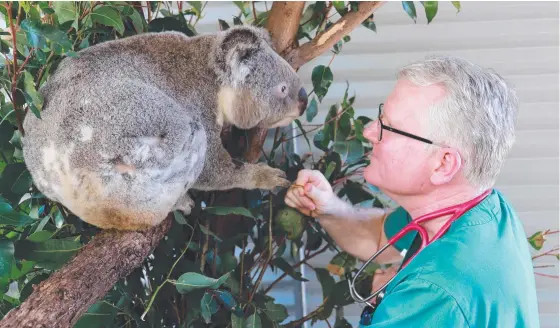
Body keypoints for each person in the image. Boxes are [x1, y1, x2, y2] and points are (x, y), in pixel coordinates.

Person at [284, 55, 540, 327]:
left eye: (389, 127)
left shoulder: (433, 295)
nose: (370, 131)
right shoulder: (481, 209)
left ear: (443, 164)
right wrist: (329, 208)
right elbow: (381, 236)